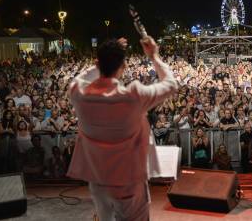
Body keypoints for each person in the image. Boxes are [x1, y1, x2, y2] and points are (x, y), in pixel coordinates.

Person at [66, 37, 178, 221]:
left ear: (97, 63)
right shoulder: (133, 97)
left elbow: (79, 78)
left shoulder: (78, 93)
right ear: (124, 66)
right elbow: (171, 84)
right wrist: (154, 55)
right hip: (128, 183)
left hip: (97, 179)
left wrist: (103, 62)